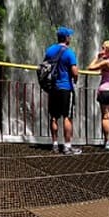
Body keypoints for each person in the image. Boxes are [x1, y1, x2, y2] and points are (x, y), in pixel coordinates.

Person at [44, 26, 80, 155]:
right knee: (67, 117)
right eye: (69, 36)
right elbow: (74, 71)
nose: (70, 38)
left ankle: (54, 145)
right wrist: (75, 79)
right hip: (66, 88)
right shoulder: (69, 53)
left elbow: (46, 67)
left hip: (53, 88)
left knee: (54, 117)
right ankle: (67, 146)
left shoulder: (49, 51)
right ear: (66, 38)